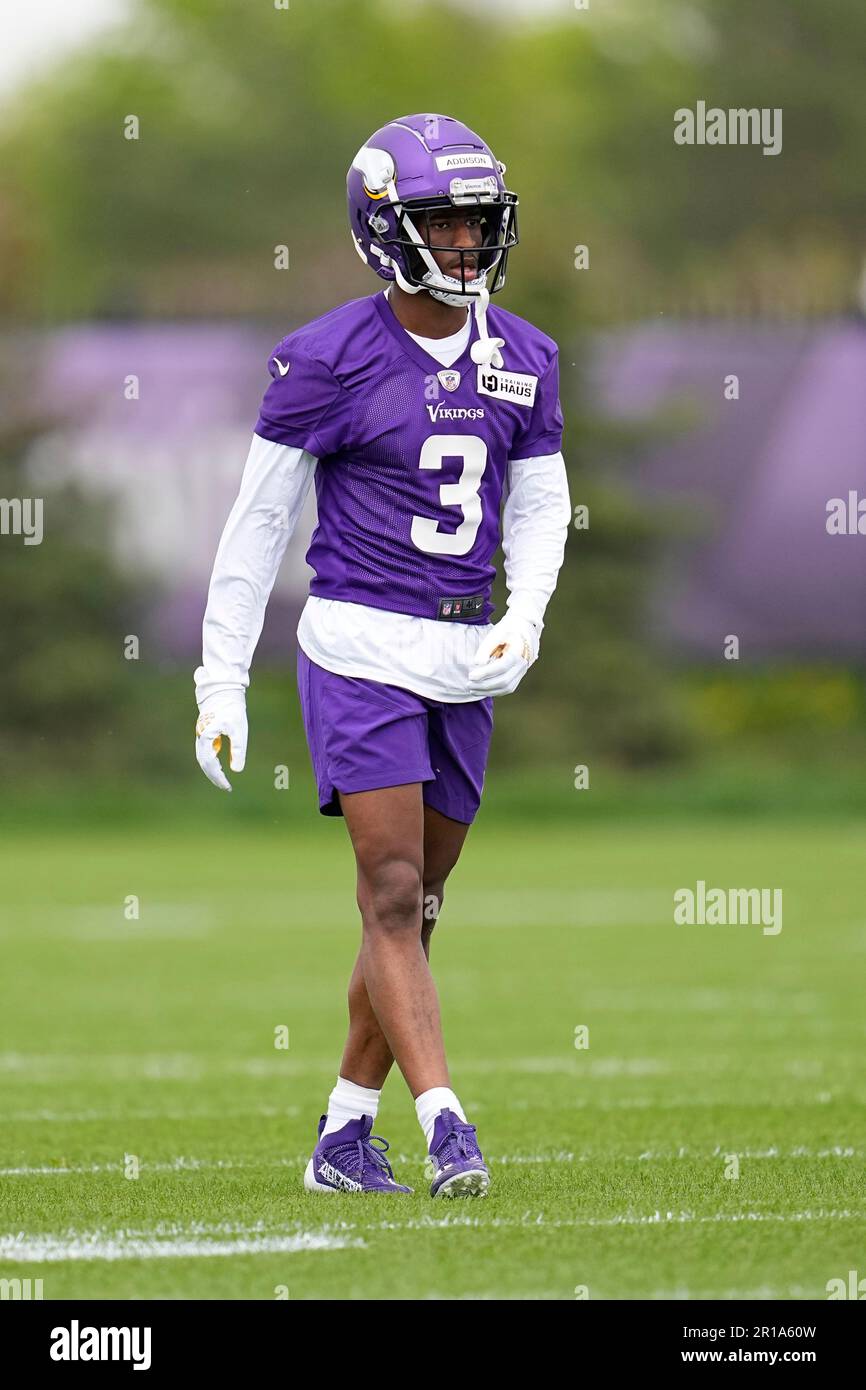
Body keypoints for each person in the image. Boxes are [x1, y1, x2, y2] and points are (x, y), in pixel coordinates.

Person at [194, 113, 571, 1199]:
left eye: (476, 221)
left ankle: (341, 1135)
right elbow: (257, 526)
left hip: (468, 651)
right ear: (382, 229)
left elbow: (541, 508)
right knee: (394, 891)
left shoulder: (525, 353)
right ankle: (447, 1122)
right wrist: (220, 677)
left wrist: (526, 614)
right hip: (360, 641)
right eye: (441, 222)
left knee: (415, 906)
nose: (465, 243)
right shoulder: (325, 357)